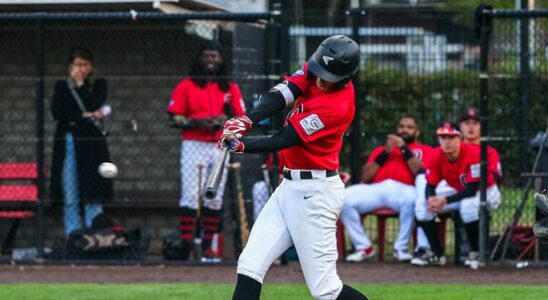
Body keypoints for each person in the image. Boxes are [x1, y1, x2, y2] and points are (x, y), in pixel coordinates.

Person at [221, 35, 367, 300]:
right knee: (250, 265)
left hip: (315, 194)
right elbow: (282, 94)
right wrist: (246, 119)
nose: (319, 79)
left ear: (345, 77)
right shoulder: (319, 67)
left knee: (325, 288)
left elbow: (286, 138)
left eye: (327, 76)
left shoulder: (338, 106)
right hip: (288, 187)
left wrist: (242, 145)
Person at [166, 40, 246, 260]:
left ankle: (209, 247)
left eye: (215, 56)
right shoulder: (187, 85)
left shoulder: (230, 88)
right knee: (191, 195)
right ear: (200, 59)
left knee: (214, 197)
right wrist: (198, 122)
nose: (211, 60)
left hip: (221, 146)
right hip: (194, 143)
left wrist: (225, 120)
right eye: (207, 56)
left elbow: (242, 119)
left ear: (221, 60)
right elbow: (173, 118)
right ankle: (185, 245)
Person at [411, 121, 500, 269]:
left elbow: (472, 189)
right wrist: (431, 199)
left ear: (460, 138)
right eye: (443, 137)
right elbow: (430, 184)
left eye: (451, 137)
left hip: (486, 191)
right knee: (422, 206)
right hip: (459, 190)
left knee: (467, 207)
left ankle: (476, 252)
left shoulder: (473, 153)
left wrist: (444, 201)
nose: (447, 142)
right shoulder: (437, 154)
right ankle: (437, 254)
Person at [341, 116, 431, 262]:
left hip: (405, 189)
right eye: (402, 127)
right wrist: (386, 152)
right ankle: (364, 247)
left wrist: (403, 148)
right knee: (342, 198)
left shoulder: (423, 149)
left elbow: (421, 172)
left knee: (413, 200)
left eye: (409, 127)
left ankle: (400, 248)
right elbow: (366, 177)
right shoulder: (381, 150)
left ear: (417, 132)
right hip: (377, 189)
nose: (404, 130)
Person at [50, 46, 113, 236]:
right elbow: (58, 112)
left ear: (91, 66)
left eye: (85, 65)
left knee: (92, 191)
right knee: (70, 192)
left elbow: (93, 103)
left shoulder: (99, 84)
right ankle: (74, 236)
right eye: (77, 65)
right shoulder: (61, 86)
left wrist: (81, 86)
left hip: (91, 144)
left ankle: (96, 235)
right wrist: (83, 115)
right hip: (68, 140)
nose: (81, 69)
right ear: (70, 66)